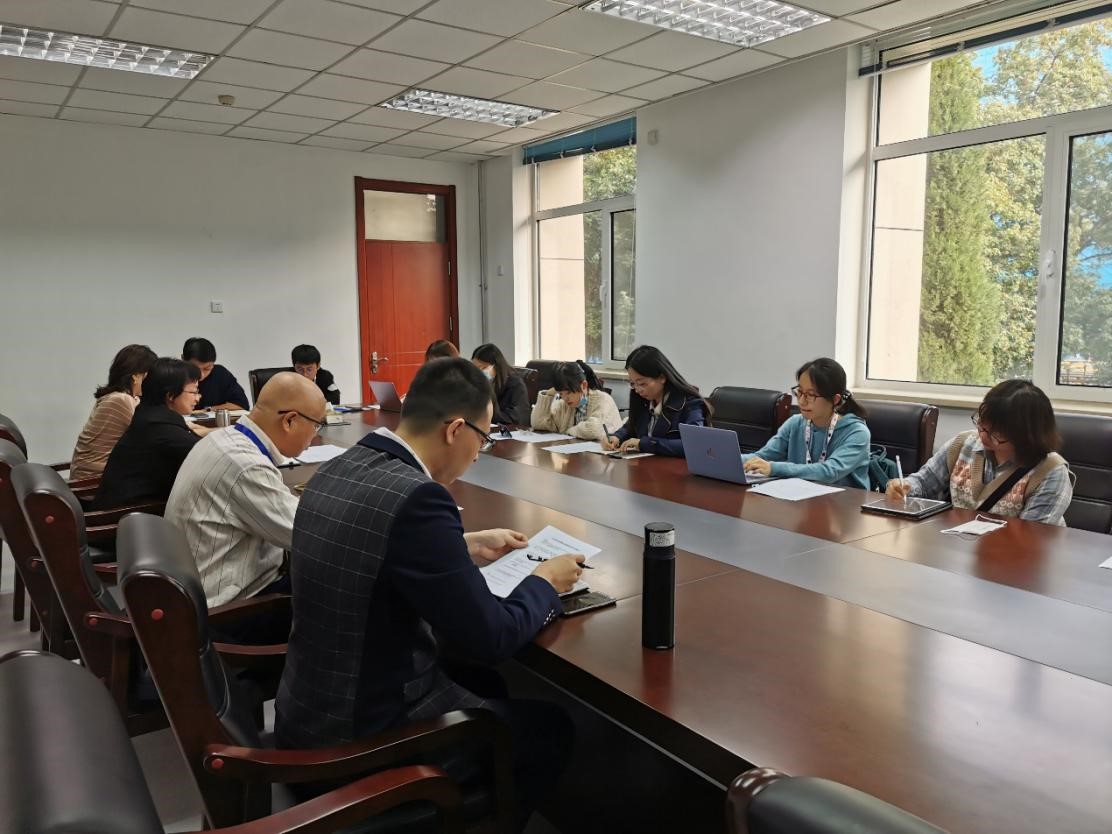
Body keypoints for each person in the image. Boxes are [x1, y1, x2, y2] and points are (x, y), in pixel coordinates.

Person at [277, 357, 582, 830]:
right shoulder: (420, 498)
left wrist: (461, 546)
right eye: (482, 438)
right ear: (455, 430)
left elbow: (371, 544)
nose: (478, 455)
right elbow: (492, 638)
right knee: (550, 728)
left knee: (485, 684)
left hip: (304, 716)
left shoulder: (339, 466)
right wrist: (545, 582)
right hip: (360, 740)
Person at [165, 373, 327, 642]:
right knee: (342, 581)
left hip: (194, 591)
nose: (314, 435)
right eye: (316, 425)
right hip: (228, 614)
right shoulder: (247, 467)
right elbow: (311, 535)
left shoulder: (224, 438)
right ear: (289, 420)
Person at [887, 379, 1073, 525]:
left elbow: (1031, 536)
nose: (983, 436)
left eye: (997, 433)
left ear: (1027, 435)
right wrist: (905, 486)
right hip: (960, 549)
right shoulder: (962, 445)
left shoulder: (1050, 472)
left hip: (1014, 558)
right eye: (982, 424)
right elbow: (924, 483)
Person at [93, 358, 204, 509]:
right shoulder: (159, 428)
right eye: (194, 392)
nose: (198, 398)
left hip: (132, 510)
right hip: (127, 517)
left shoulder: (149, 414)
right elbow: (207, 455)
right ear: (170, 395)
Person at [742, 358, 870, 488]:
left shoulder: (857, 432)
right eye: (800, 392)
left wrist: (774, 468)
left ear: (835, 399)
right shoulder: (795, 423)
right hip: (802, 495)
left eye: (811, 395)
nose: (802, 401)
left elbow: (829, 472)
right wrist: (732, 459)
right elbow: (763, 457)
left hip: (846, 499)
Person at [70, 344, 157, 481]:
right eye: (149, 376)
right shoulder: (121, 400)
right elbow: (153, 431)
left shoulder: (116, 396)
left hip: (97, 474)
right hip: (93, 481)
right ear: (136, 376)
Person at [602, 345, 707, 457]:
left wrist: (644, 443)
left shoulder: (690, 403)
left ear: (662, 377)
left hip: (673, 467)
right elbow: (631, 426)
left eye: (642, 383)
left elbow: (693, 445)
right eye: (633, 383)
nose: (637, 390)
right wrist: (617, 436)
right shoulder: (643, 400)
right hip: (644, 464)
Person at [531, 360, 622, 441]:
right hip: (575, 452)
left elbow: (593, 429)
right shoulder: (564, 405)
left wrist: (569, 431)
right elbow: (538, 423)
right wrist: (547, 395)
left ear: (584, 385)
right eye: (561, 394)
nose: (565, 398)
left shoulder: (603, 399)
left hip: (606, 453)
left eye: (569, 392)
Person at [182, 337, 249, 411]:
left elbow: (242, 404)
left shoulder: (220, 374)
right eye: (195, 368)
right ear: (183, 359)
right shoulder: (175, 375)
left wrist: (207, 410)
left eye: (207, 369)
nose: (201, 375)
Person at [471, 342, 529, 426]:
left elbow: (517, 418)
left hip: (508, 429)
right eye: (476, 368)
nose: (479, 372)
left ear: (496, 366)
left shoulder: (516, 384)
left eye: (483, 367)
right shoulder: (477, 382)